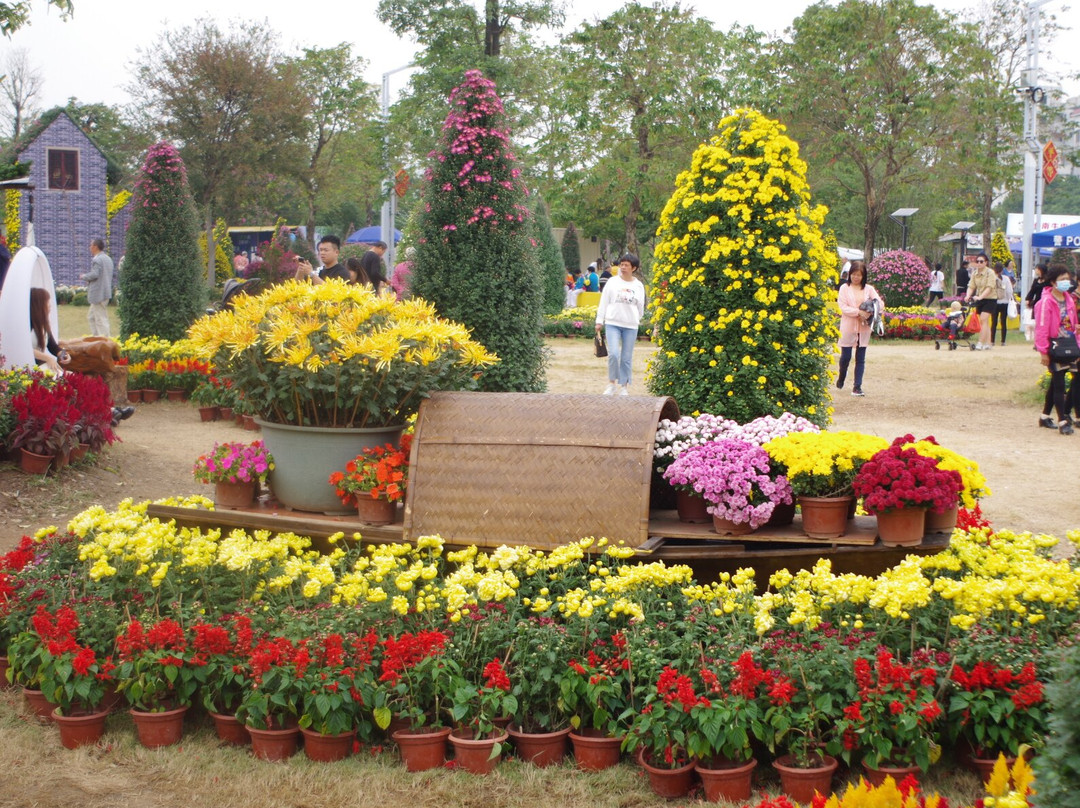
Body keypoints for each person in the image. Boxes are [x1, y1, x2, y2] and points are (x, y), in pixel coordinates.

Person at [1034, 264, 1078, 435]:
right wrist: (1043, 351)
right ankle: (1062, 421)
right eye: (1062, 280)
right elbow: (1042, 328)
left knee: (1055, 383)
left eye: (1067, 279)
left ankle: (1045, 417)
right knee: (1059, 383)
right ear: (1053, 282)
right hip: (1055, 346)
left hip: (1069, 344)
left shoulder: (1069, 299)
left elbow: (1073, 325)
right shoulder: (1045, 302)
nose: (1066, 282)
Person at [595, 253, 646, 396]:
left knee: (626, 357)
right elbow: (604, 301)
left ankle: (624, 386)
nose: (623, 267)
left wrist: (636, 319)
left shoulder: (638, 285)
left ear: (633, 268)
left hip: (631, 325)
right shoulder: (612, 282)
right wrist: (599, 321)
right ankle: (612, 384)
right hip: (612, 323)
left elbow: (641, 306)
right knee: (614, 355)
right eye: (621, 264)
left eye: (626, 265)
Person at [836, 260, 884, 397]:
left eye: (859, 275)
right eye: (854, 274)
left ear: (863, 276)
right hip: (848, 327)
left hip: (863, 328)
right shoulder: (844, 288)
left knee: (860, 358)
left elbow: (879, 303)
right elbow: (843, 307)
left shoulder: (869, 289)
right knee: (845, 357)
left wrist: (870, 312)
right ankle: (842, 377)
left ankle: (857, 386)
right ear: (850, 274)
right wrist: (858, 312)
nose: (856, 277)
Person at [29, 287, 71, 373]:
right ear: (38, 305)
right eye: (47, 302)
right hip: (29, 367)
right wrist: (47, 358)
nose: (50, 305)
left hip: (41, 366)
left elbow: (53, 347)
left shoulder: (43, 324)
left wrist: (64, 355)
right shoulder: (27, 324)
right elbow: (26, 348)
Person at [964, 253, 997, 350]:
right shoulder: (975, 273)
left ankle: (980, 343)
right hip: (980, 299)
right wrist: (968, 295)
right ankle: (988, 343)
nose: (979, 263)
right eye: (977, 261)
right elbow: (971, 286)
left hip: (990, 299)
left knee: (983, 319)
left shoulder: (990, 273)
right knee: (985, 322)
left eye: (981, 261)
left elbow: (989, 287)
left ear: (986, 262)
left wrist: (980, 297)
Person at [81, 238, 114, 337]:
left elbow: (95, 274)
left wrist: (84, 276)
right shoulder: (108, 259)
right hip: (105, 292)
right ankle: (96, 338)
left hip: (98, 294)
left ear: (95, 247)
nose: (90, 247)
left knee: (100, 319)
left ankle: (104, 340)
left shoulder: (97, 259)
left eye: (91, 245)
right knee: (91, 317)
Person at [990, 262, 1014, 346]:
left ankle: (992, 341)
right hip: (1005, 302)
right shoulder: (1006, 278)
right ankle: (1003, 341)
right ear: (1002, 270)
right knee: (1003, 322)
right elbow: (1009, 291)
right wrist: (1010, 298)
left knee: (994, 322)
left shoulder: (992, 278)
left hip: (995, 302)